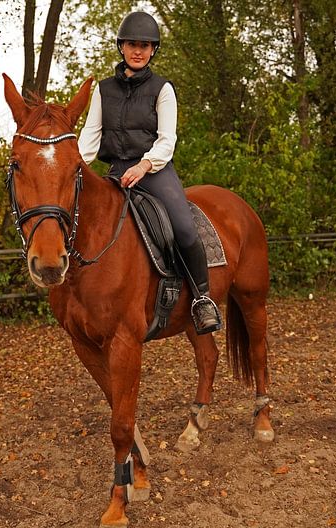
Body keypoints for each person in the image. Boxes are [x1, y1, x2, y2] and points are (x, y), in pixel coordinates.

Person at [78, 11, 221, 335]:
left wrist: (144, 165)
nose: (138, 50)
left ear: (153, 49)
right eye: (132, 44)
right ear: (122, 47)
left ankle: (201, 299)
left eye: (145, 45)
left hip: (155, 169)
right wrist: (75, 169)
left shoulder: (162, 89)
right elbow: (89, 138)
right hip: (115, 171)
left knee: (184, 227)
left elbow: (166, 140)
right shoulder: (103, 90)